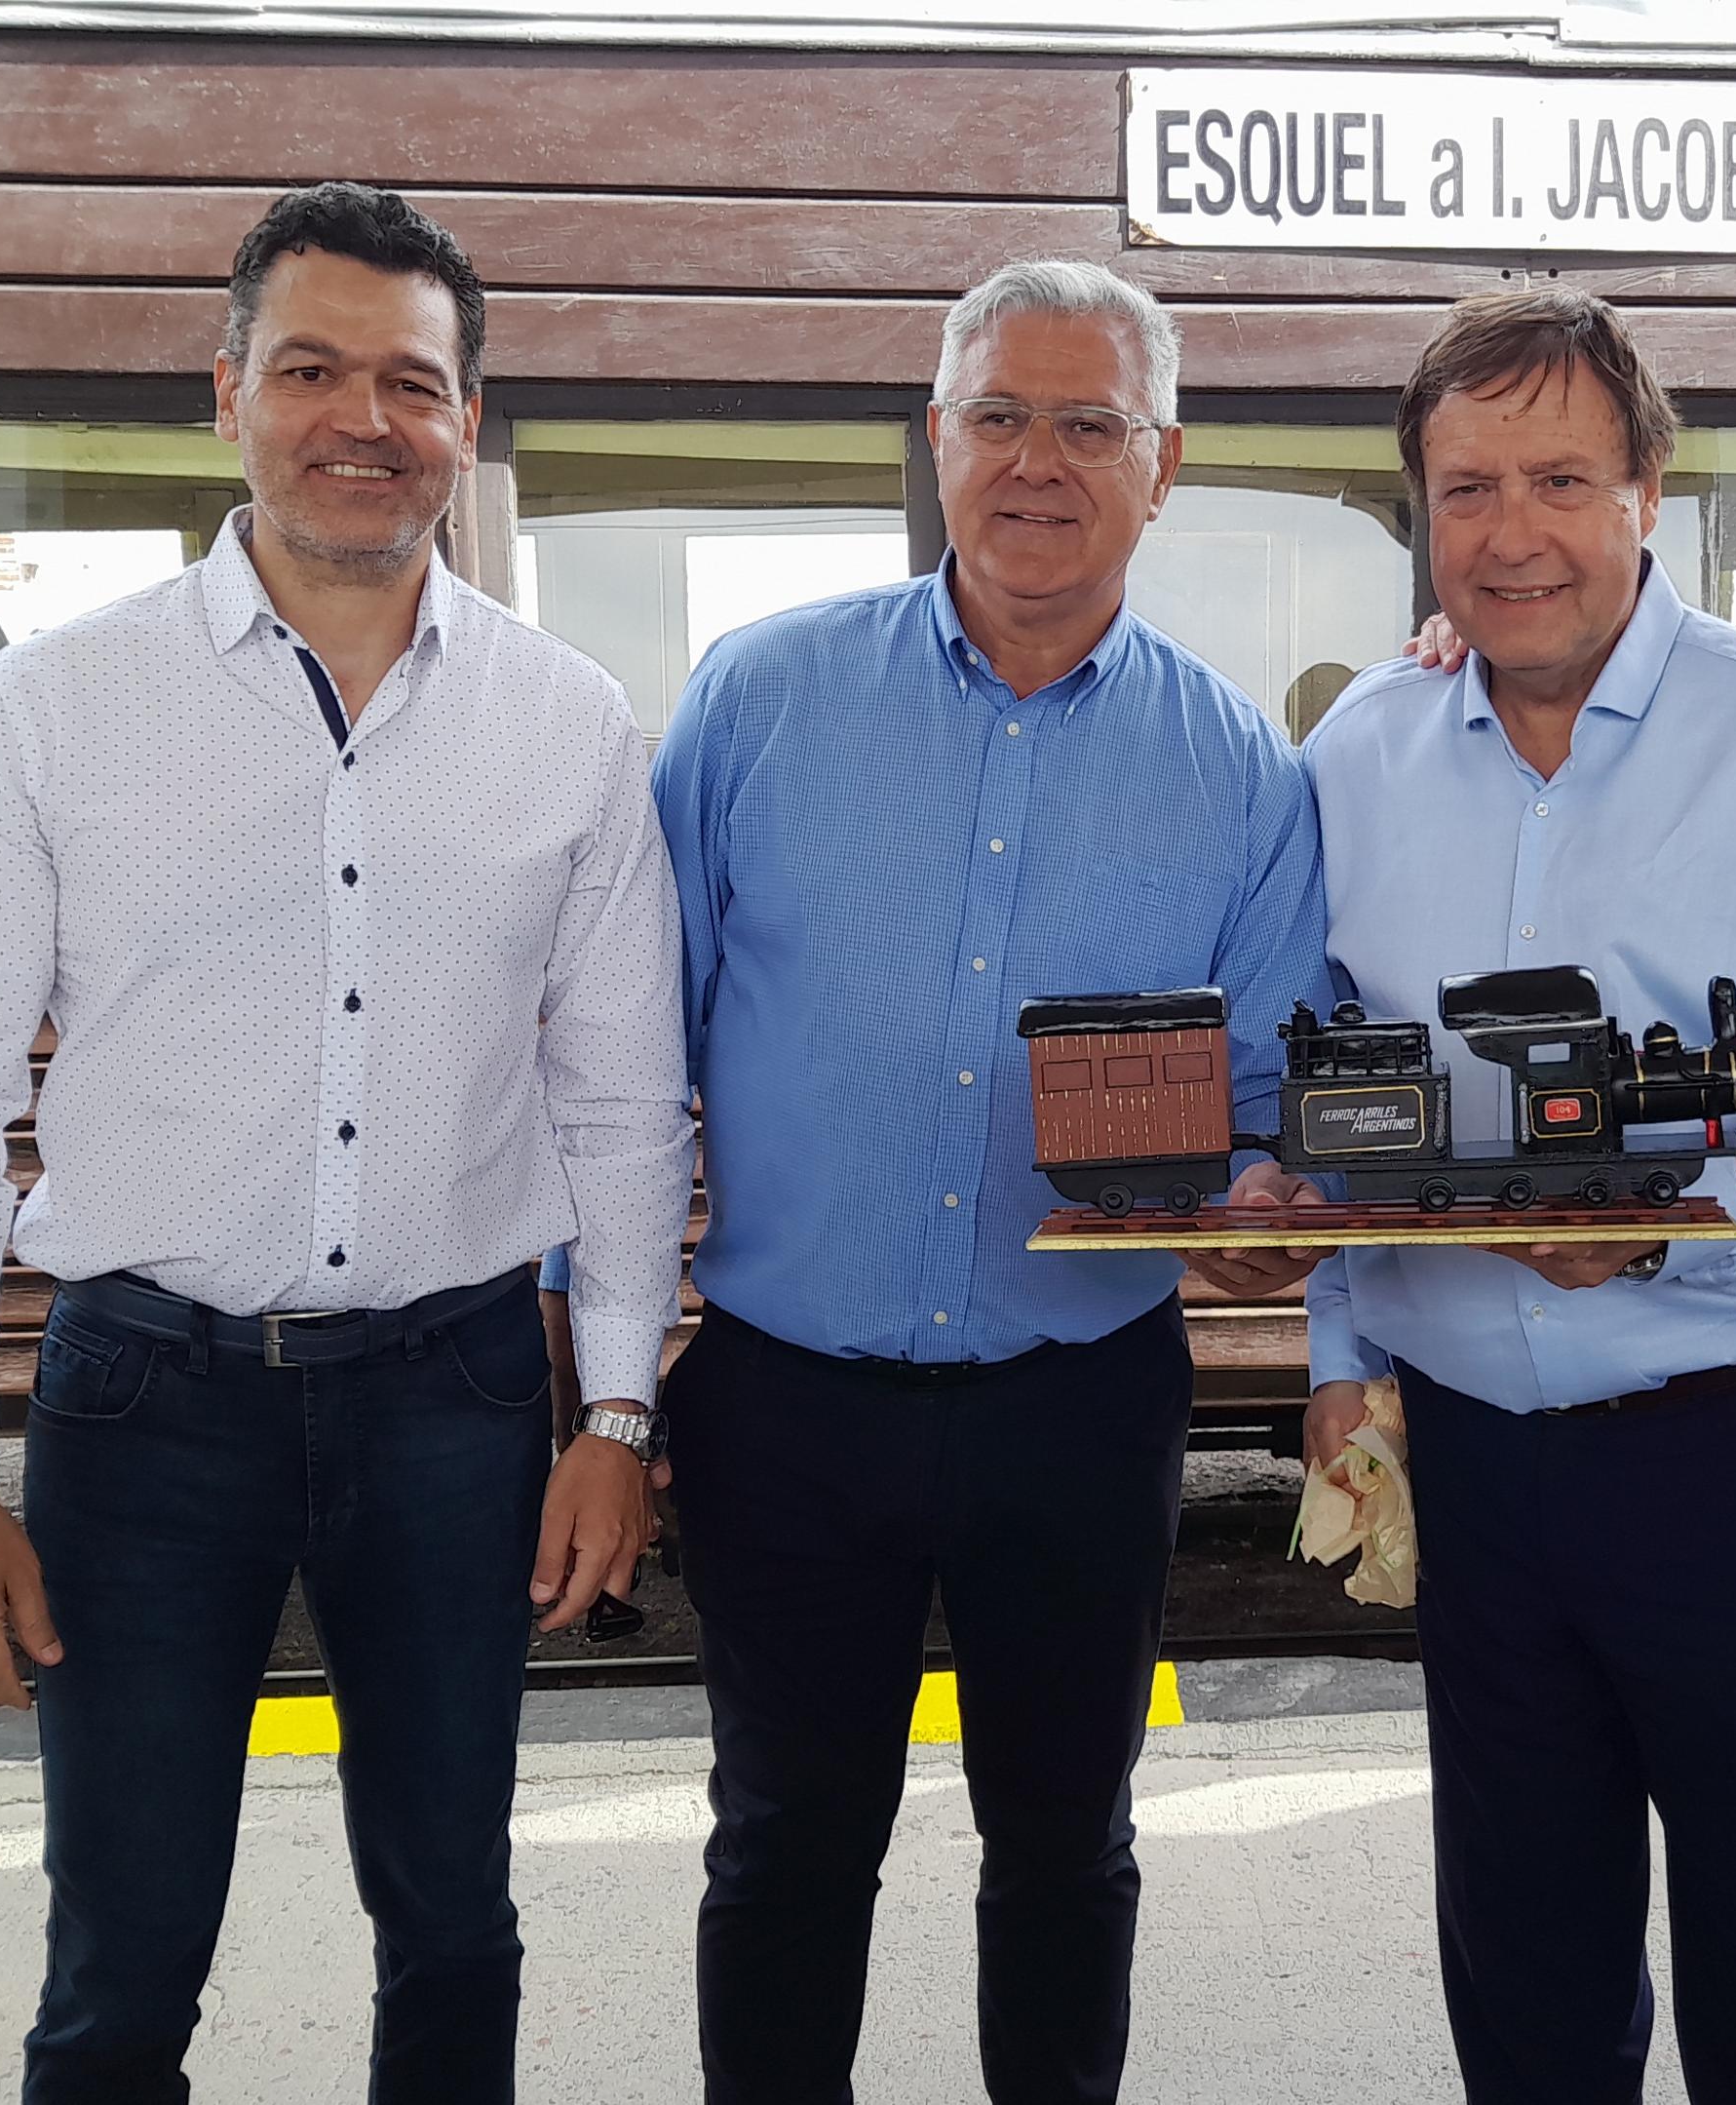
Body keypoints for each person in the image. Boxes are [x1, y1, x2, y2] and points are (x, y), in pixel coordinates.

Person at [0, 182, 693, 2104]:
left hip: (456, 1397)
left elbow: (623, 1102)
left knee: (456, 1931)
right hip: (145, 1405)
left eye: (411, 381)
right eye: (310, 370)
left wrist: (617, 1414)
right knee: (123, 1964)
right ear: (226, 393)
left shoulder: (569, 724)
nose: (361, 419)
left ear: (467, 417)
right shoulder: (58, 708)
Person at [641, 258, 1328, 2104]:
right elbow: (625, 1052)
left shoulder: (1240, 765)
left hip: (1079, 1399)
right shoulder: (759, 698)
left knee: (1067, 1850)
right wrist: (602, 1372)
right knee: (785, 1848)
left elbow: (1267, 1097)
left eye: (1090, 423)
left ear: (1161, 464)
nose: (1040, 462)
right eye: (1000, 416)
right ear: (935, 438)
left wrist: (1264, 1209)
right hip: (787, 1402)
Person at [1267, 284, 1736, 2104]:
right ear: (1422, 510)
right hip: (1468, 1463)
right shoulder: (1355, 755)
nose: (1514, 534)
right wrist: (1341, 1349)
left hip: (1728, 1448)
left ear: (1649, 487)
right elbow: (1338, 1102)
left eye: (1561, 480)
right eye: (1469, 488)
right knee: (1524, 1964)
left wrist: (1671, 1212)